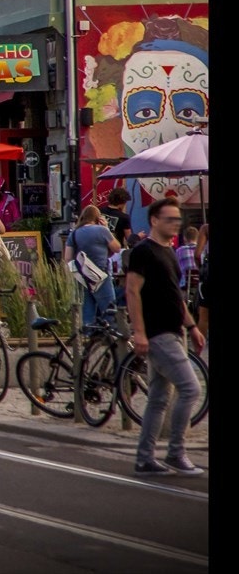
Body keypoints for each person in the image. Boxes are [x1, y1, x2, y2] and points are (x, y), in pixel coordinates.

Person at [125, 198, 205, 476]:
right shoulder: (143, 251)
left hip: (174, 330)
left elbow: (175, 294)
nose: (175, 224)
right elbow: (132, 290)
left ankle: (145, 458)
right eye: (169, 219)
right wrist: (139, 331)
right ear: (154, 220)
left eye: (177, 219)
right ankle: (175, 452)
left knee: (159, 398)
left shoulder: (169, 252)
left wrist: (192, 326)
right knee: (191, 388)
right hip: (157, 333)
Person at [63, 206, 120, 326]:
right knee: (109, 310)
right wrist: (106, 228)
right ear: (98, 218)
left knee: (87, 313)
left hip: (82, 278)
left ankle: (88, 339)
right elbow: (117, 248)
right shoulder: (101, 230)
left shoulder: (74, 234)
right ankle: (113, 338)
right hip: (101, 275)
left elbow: (67, 258)